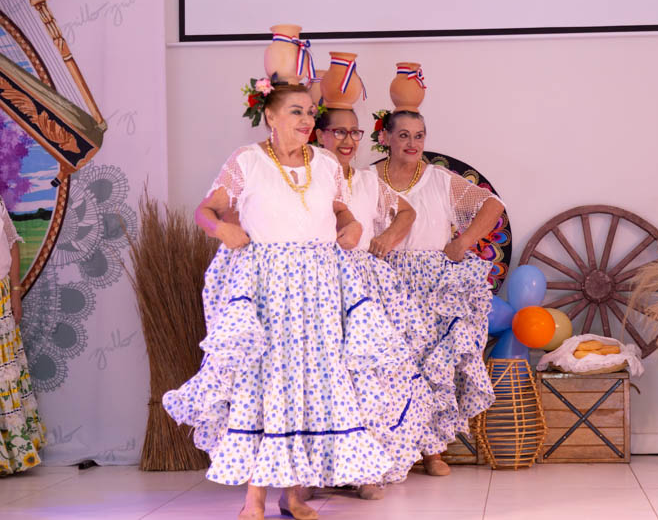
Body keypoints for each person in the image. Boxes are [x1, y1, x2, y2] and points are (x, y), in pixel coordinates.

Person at [163, 83, 393, 520]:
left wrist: (352, 226)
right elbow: (204, 211)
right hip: (270, 289)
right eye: (296, 111)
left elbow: (341, 211)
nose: (306, 120)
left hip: (319, 288)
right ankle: (254, 498)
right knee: (267, 384)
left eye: (310, 112)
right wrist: (222, 229)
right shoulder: (247, 161)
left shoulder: (325, 163)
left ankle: (293, 495)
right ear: (270, 116)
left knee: (309, 385)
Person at [378, 110, 505, 476]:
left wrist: (464, 241)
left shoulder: (438, 178)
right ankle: (393, 450)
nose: (412, 143)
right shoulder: (370, 180)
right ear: (385, 138)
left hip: (432, 283)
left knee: (434, 365)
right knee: (393, 367)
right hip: (386, 280)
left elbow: (493, 205)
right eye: (404, 135)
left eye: (419, 135)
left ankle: (433, 450)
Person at [316, 108, 435, 495]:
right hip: (323, 283)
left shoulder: (367, 180)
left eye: (355, 132)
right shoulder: (311, 177)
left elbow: (407, 212)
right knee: (330, 376)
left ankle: (367, 469)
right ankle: (322, 471)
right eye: (339, 131)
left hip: (366, 285)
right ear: (319, 135)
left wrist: (386, 238)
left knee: (374, 374)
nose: (348, 140)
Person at [0, 194, 45, 475]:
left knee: (5, 374)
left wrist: (15, 292)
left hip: (2, 296)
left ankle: (12, 455)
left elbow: (12, 243)